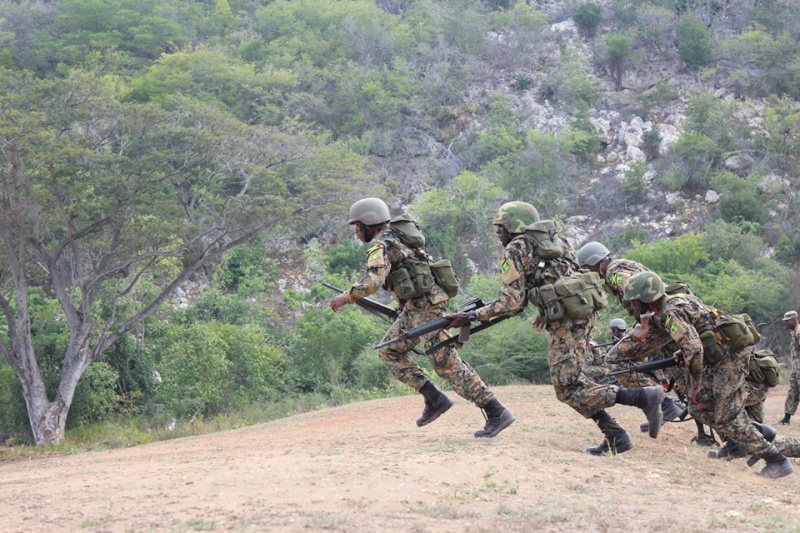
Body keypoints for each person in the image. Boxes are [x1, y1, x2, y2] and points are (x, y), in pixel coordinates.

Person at [447, 201, 664, 456]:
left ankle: (641, 398)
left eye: (500, 227)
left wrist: (471, 316)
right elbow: (564, 278)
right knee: (573, 380)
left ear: (514, 225)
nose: (498, 233)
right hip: (582, 311)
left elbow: (512, 302)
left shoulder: (516, 249)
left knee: (566, 387)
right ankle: (615, 434)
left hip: (567, 320)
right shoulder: (557, 241)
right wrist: (546, 311)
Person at [329, 198, 515, 438]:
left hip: (426, 308)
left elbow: (372, 282)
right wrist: (403, 304)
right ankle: (434, 398)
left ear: (369, 223)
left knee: (446, 364)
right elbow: (410, 273)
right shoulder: (396, 237)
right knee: (389, 351)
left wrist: (344, 298)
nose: (356, 231)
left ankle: (496, 411)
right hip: (417, 306)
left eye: (358, 226)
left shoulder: (381, 244)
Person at [621, 271, 793, 478]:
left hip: (729, 357)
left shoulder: (670, 312)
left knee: (727, 418)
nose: (633, 307)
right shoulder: (676, 301)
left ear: (647, 298)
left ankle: (776, 460)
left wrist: (694, 384)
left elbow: (694, 349)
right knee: (699, 407)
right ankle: (756, 433)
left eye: (635, 302)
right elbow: (697, 334)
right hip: (717, 355)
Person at [576, 241, 685, 422]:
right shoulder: (623, 265)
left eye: (587, 268)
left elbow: (642, 293)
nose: (589, 273)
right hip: (667, 319)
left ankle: (664, 404)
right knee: (681, 371)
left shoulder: (615, 274)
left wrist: (644, 325)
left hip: (659, 322)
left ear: (595, 263)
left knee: (614, 360)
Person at [777, 310, 800, 425]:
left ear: (795, 320)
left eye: (788, 321)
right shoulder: (794, 332)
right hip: (796, 369)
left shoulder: (799, 332)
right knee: (793, 392)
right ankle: (786, 419)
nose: (786, 323)